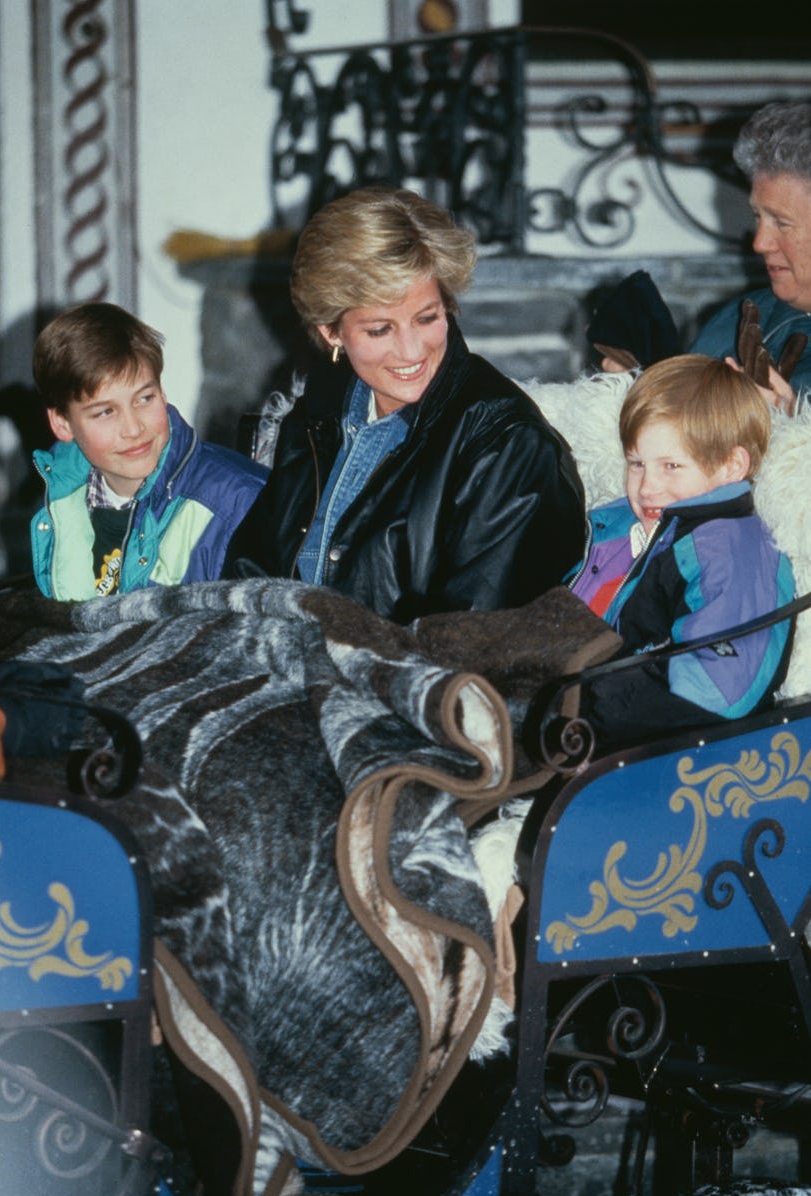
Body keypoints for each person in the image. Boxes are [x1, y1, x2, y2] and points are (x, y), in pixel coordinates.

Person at [228, 187, 585, 623]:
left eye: (427, 318)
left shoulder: (509, 445)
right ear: (331, 332)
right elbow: (249, 573)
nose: (412, 350)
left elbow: (476, 644)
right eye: (380, 330)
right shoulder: (317, 414)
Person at [569, 355, 795, 747]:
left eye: (671, 465)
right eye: (636, 464)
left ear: (731, 466)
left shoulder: (729, 546)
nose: (647, 486)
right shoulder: (613, 525)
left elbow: (718, 686)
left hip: (647, 754)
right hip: (570, 700)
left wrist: (574, 705)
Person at [30, 302, 268, 600]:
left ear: (162, 392)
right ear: (62, 424)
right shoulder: (61, 504)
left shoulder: (243, 502)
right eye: (105, 412)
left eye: (144, 398)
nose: (133, 429)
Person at [691, 100, 811, 410]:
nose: (759, 243)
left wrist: (795, 430)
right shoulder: (739, 319)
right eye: (758, 217)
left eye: (781, 222)